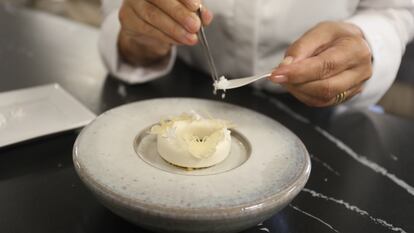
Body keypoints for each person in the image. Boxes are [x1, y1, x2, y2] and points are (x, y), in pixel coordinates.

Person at [99, 0, 414, 108]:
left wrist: (369, 41)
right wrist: (140, 39)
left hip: (321, 115)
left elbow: (395, 9)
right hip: (178, 88)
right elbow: (124, 10)